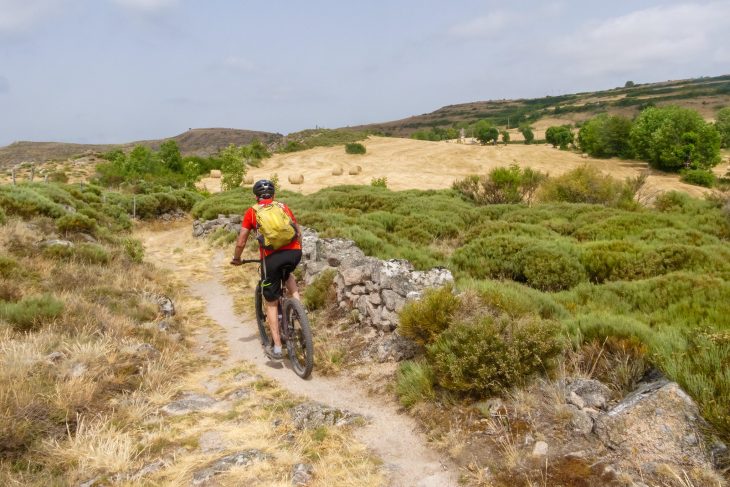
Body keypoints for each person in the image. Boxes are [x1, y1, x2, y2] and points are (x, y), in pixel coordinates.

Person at [230, 179, 302, 360]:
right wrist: (295, 249)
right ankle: (299, 310)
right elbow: (297, 232)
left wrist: (237, 258)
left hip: (271, 259)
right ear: (273, 195)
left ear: (256, 196)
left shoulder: (252, 212)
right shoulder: (283, 207)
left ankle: (277, 346)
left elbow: (241, 241)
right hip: (294, 253)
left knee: (271, 301)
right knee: (288, 275)